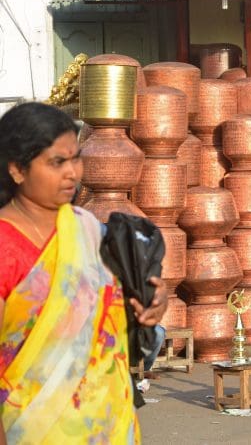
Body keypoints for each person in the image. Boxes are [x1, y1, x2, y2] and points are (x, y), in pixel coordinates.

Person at [0, 102, 168, 443]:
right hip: (33, 429)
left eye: (75, 158)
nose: (72, 173)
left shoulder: (88, 231)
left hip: (108, 424)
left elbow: (109, 311)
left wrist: (151, 304)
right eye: (56, 162)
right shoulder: (5, 248)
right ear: (17, 169)